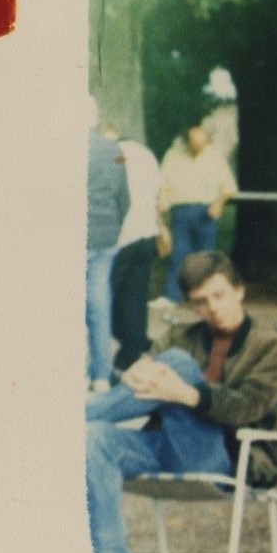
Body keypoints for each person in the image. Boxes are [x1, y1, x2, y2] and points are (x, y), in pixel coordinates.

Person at [83, 250, 277, 553]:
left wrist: (186, 393)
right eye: (199, 302)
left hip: (227, 453)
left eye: (219, 296)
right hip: (167, 446)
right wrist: (133, 371)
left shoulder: (272, 348)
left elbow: (246, 407)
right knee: (93, 436)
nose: (211, 308)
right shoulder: (183, 336)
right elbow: (140, 387)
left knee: (177, 364)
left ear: (239, 290)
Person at [158, 120, 236, 304]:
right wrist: (162, 198)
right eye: (194, 146)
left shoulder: (215, 156)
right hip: (181, 210)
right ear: (187, 142)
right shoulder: (173, 155)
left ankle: (204, 297)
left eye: (201, 146)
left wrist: (218, 203)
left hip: (206, 212)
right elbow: (163, 183)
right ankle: (172, 296)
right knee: (179, 255)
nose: (198, 150)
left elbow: (229, 187)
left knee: (206, 257)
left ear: (207, 142)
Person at [108, 123, 164, 373]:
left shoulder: (113, 154)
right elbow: (159, 195)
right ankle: (134, 349)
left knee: (107, 300)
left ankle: (132, 345)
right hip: (147, 234)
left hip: (122, 236)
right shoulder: (146, 155)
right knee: (135, 298)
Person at [84, 118, 128, 391]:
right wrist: (113, 226)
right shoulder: (115, 150)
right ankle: (101, 374)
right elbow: (125, 199)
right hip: (106, 235)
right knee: (100, 305)